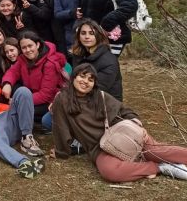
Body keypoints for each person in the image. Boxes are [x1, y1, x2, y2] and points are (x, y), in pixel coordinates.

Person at [52, 64, 187, 183]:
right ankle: (161, 167)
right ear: (74, 77)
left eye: (90, 79)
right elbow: (60, 128)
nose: (85, 81)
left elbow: (126, 111)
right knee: (110, 171)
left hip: (124, 136)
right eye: (82, 76)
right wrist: (61, 152)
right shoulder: (62, 100)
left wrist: (137, 124)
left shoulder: (100, 96)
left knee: (158, 151)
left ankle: (154, 159)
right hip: (99, 148)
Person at [1, 31, 67, 128]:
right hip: (31, 94)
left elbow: (46, 95)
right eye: (24, 48)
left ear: (37, 44)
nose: (27, 50)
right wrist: (7, 84)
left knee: (22, 111)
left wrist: (19, 101)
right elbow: (13, 72)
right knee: (13, 86)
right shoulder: (23, 59)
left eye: (30, 46)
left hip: (48, 101)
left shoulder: (49, 64)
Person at [71, 20, 122, 100]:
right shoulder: (78, 55)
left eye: (91, 33)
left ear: (98, 36)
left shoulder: (109, 60)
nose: (87, 37)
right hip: (81, 97)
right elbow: (73, 81)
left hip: (105, 103)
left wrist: (66, 98)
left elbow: (97, 89)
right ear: (78, 36)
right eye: (83, 33)